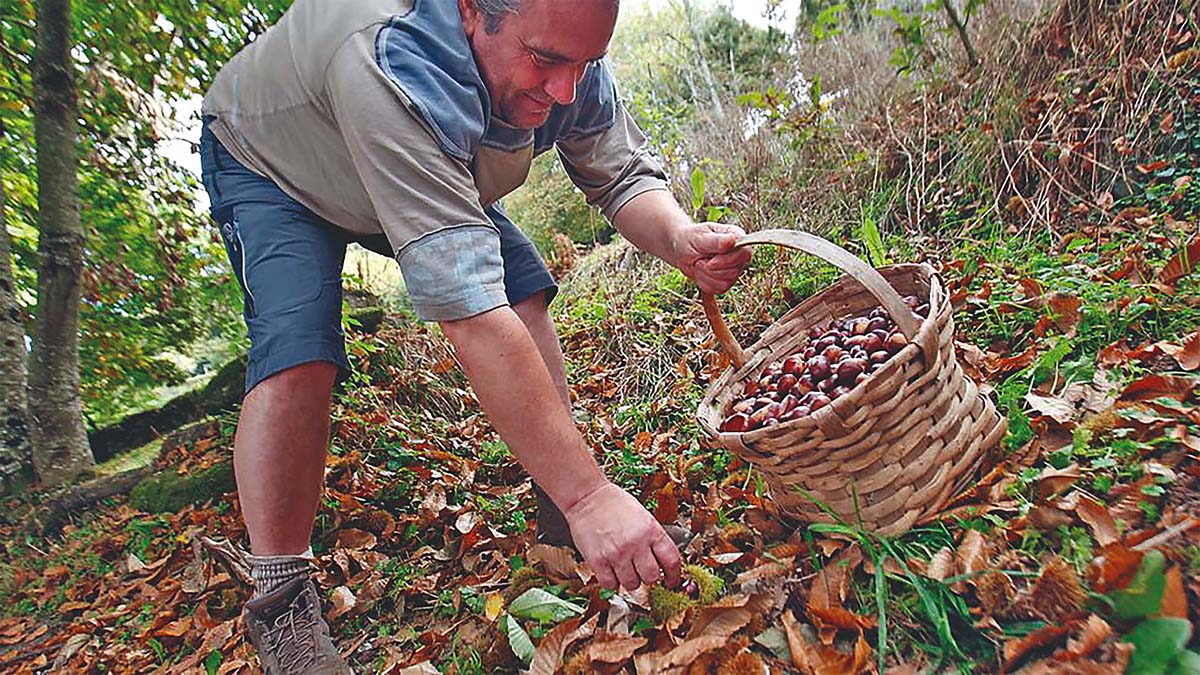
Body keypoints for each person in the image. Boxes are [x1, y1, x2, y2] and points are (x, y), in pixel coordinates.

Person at [198, 0, 751, 671]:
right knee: (297, 353)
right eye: (546, 62)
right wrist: (593, 493)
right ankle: (281, 596)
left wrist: (677, 236)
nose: (566, 89)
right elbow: (471, 314)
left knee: (525, 290)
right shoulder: (388, 62)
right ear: (469, 11)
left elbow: (621, 170)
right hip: (280, 167)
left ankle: (561, 518)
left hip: (412, 155)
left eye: (584, 64)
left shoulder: (562, 44)